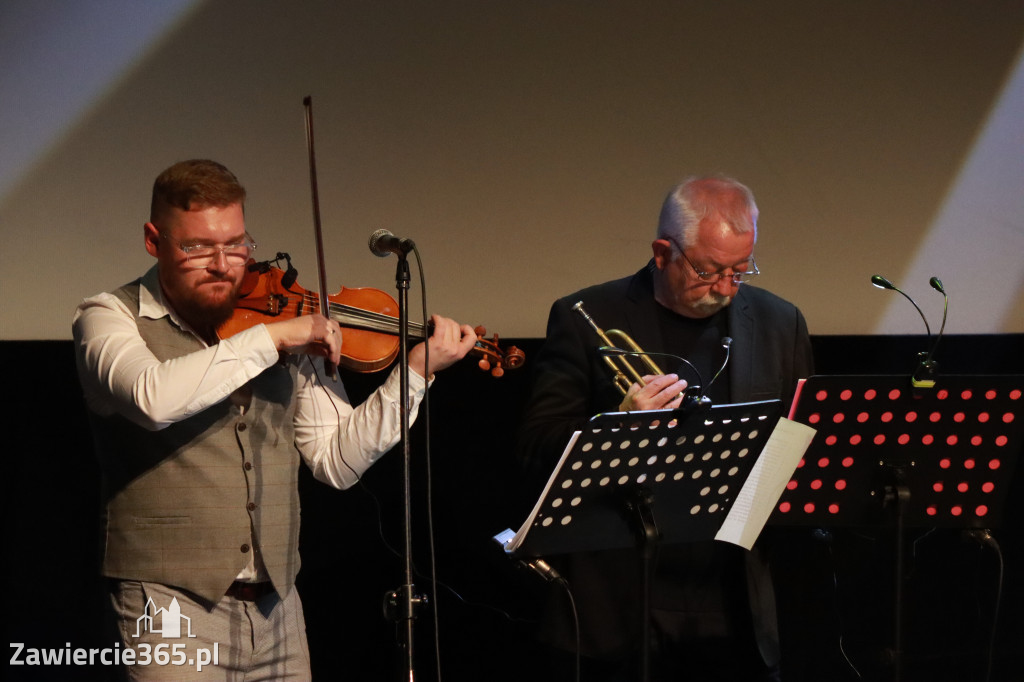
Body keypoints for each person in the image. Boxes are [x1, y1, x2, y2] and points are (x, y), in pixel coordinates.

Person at [72, 159, 478, 679]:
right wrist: (274, 339)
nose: (223, 264)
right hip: (168, 605)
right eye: (197, 247)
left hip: (279, 609)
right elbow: (153, 400)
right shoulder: (109, 317)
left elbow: (336, 462)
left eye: (237, 244)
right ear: (154, 240)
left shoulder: (285, 322)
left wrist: (416, 373)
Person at [517, 175, 813, 681]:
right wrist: (619, 426)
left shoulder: (780, 322)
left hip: (734, 602)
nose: (724, 287)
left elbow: (800, 448)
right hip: (620, 604)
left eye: (740, 270)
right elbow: (536, 445)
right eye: (708, 270)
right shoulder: (584, 315)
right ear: (662, 252)